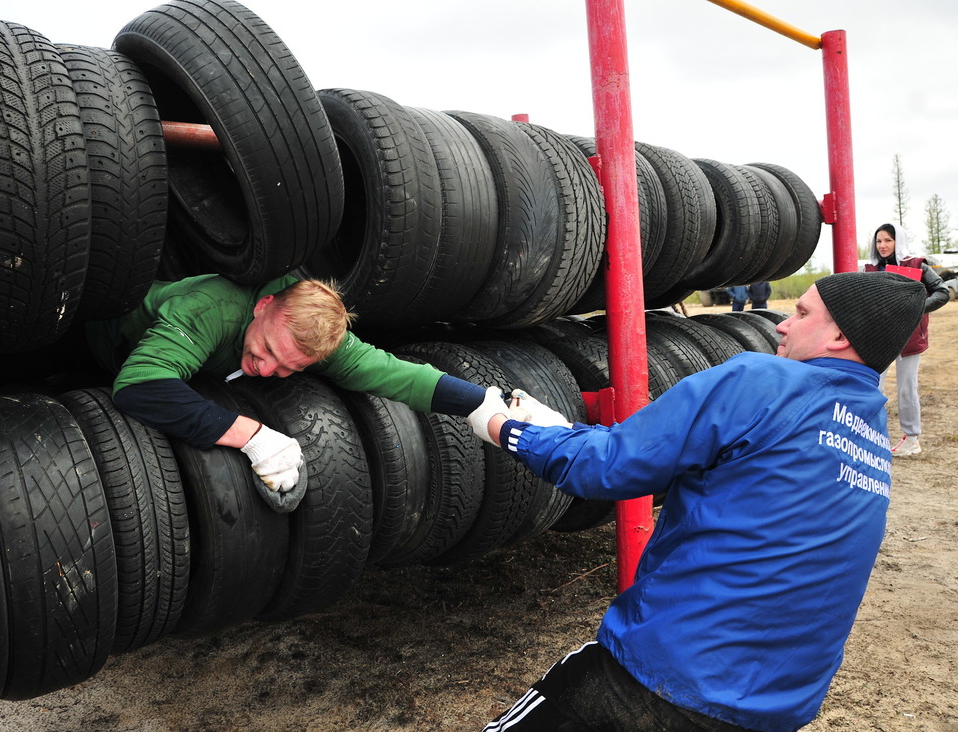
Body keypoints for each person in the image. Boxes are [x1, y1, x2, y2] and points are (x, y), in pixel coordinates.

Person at [464, 271, 926, 731]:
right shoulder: (871, 437)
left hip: (666, 678)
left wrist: (508, 430)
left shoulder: (763, 380)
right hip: (774, 708)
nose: (782, 324)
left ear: (840, 335)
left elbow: (604, 467)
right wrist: (565, 431)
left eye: (802, 313)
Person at [87, 273, 486, 511]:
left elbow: (393, 373)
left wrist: (483, 404)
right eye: (269, 351)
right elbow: (138, 386)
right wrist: (254, 436)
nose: (267, 370)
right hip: (98, 338)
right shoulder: (213, 308)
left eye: (288, 368)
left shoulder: (308, 335)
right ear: (263, 306)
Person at [863, 222, 950, 456]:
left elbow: (942, 292)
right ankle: (871, 435)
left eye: (888, 240)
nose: (882, 245)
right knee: (872, 386)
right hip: (880, 337)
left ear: (897, 241)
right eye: (879, 241)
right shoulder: (870, 269)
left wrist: (917, 308)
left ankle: (912, 439)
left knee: (906, 388)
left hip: (909, 338)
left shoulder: (916, 265)